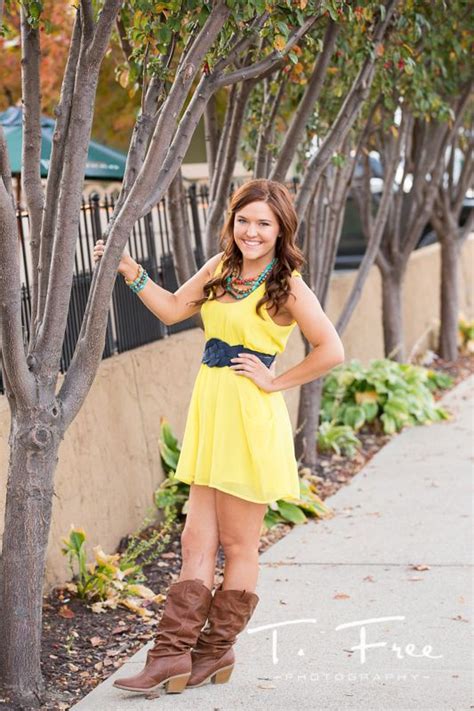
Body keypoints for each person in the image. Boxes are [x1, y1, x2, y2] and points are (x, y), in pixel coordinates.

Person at [93, 178, 344, 696]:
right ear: (232, 222)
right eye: (244, 220)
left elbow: (330, 349)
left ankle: (215, 649)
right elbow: (170, 310)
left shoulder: (286, 282)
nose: (252, 232)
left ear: (280, 231)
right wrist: (129, 270)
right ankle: (171, 656)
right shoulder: (219, 268)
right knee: (194, 540)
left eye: (264, 224)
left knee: (238, 542)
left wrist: (275, 379)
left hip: (249, 418)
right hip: (211, 413)